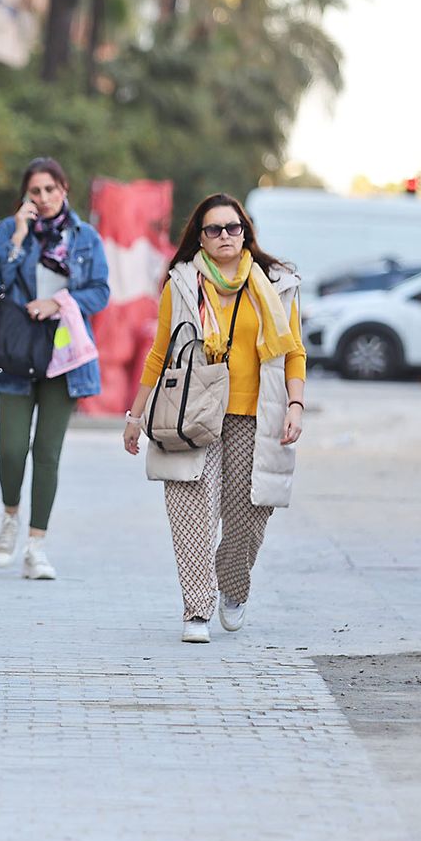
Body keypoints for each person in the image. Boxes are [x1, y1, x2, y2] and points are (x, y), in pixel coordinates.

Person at [122, 194, 305, 643]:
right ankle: (196, 609)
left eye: (232, 227)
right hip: (193, 413)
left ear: (246, 231)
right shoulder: (182, 283)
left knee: (248, 515)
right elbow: (159, 353)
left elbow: (294, 351)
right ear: (199, 237)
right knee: (191, 510)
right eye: (214, 229)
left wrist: (295, 406)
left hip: (254, 414)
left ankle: (234, 587)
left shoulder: (276, 284)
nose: (225, 236)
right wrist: (135, 414)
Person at [0, 157, 110, 580]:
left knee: (48, 453)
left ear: (64, 189)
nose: (43, 198)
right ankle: (10, 516)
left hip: (64, 353)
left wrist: (59, 302)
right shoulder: (8, 230)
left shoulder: (85, 237)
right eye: (35, 191)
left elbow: (100, 291)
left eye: (50, 190)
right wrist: (17, 235)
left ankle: (36, 545)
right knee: (11, 449)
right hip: (16, 351)